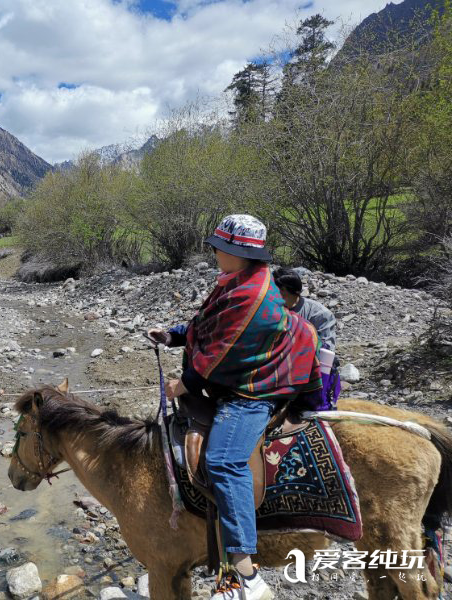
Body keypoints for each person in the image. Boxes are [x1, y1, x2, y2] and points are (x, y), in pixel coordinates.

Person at [148, 215, 322, 600]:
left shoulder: (250, 294)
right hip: (244, 377)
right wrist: (175, 335)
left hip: (255, 388)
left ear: (236, 252)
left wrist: (185, 384)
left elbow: (224, 349)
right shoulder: (238, 282)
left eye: (218, 247)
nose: (213, 252)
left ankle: (246, 569)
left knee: (224, 460)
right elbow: (207, 325)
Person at [273, 267, 340, 410]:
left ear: (283, 291)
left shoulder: (320, 315)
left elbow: (326, 352)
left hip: (309, 372)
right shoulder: (271, 310)